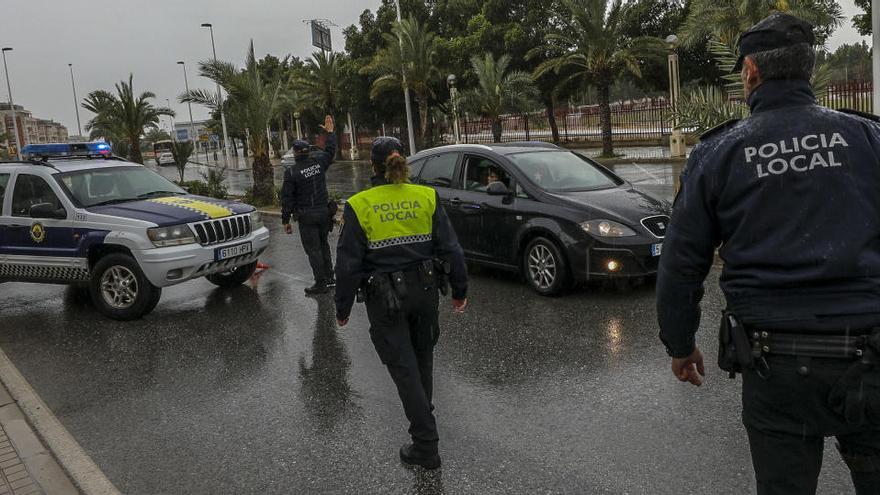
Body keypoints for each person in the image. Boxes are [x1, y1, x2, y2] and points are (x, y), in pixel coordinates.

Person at [657, 13, 880, 495]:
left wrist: (680, 343)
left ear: (751, 71)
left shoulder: (720, 152)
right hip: (871, 355)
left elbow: (681, 262)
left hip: (775, 366)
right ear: (808, 69)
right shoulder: (868, 139)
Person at [334, 136, 468, 470]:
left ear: (373, 166)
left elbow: (348, 263)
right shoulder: (426, 196)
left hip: (386, 299)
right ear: (402, 162)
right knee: (422, 361)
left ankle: (426, 445)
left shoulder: (360, 204)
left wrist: (343, 307)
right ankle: (424, 418)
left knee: (405, 370)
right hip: (424, 293)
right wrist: (459, 290)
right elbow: (451, 248)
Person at [281, 115, 337, 295]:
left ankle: (320, 283)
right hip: (323, 213)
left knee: (314, 250)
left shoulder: (292, 172)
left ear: (296, 153)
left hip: (307, 216)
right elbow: (330, 150)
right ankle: (330, 278)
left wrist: (285, 220)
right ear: (307, 151)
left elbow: (287, 198)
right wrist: (330, 133)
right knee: (324, 246)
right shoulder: (319, 163)